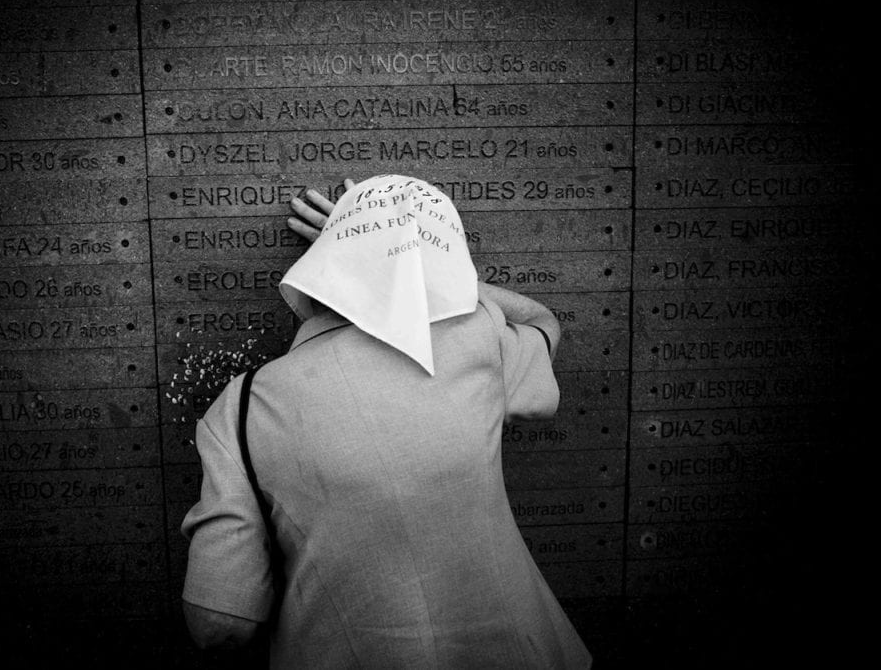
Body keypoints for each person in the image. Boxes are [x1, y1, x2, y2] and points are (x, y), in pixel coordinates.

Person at [180, 175, 591, 668]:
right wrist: (406, 259)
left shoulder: (242, 407)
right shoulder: (480, 339)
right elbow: (542, 323)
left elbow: (220, 624)